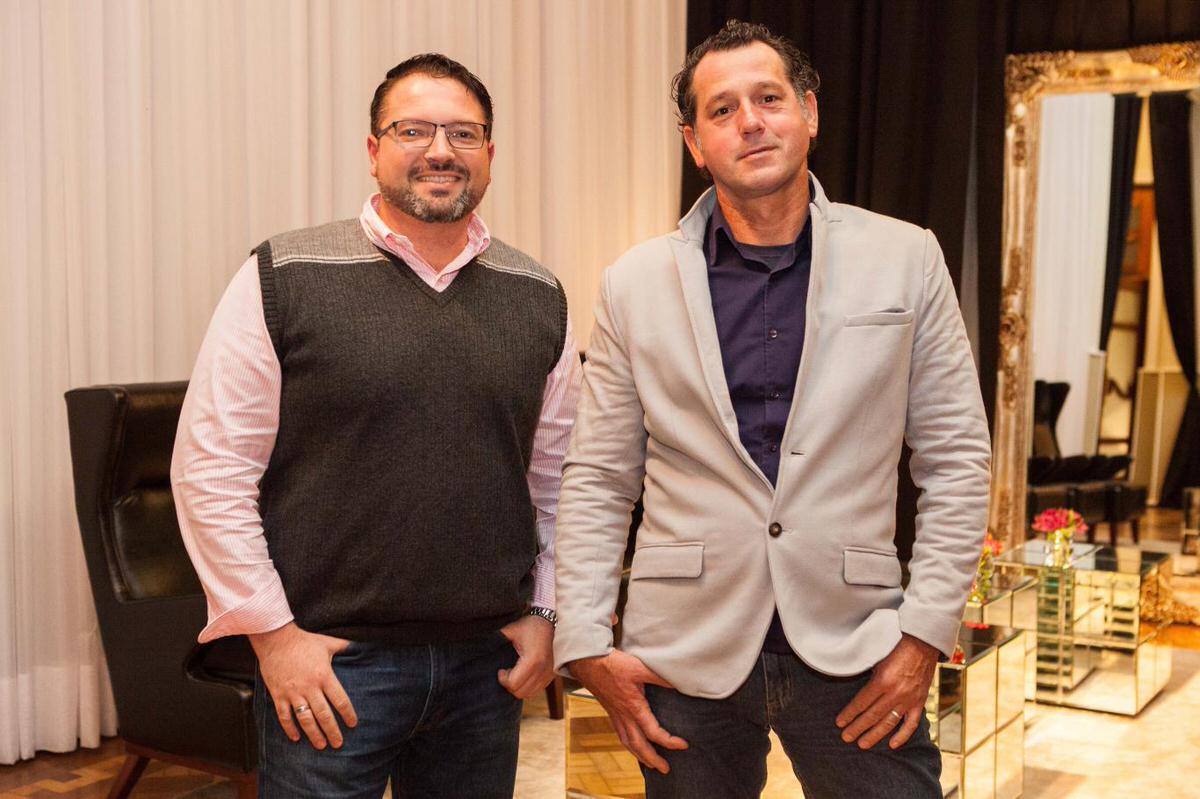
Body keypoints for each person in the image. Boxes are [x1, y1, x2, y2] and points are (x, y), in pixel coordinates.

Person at [553, 20, 990, 799]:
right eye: (722, 110)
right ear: (695, 143)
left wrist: (925, 633)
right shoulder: (633, 282)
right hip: (683, 651)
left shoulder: (906, 256)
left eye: (769, 99)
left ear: (809, 113)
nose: (750, 122)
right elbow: (599, 476)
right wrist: (585, 640)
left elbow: (956, 456)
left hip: (857, 644)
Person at [171, 53, 579, 799]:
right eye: (413, 130)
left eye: (463, 133)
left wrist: (548, 611)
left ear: (490, 152)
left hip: (486, 666)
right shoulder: (283, 273)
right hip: (331, 665)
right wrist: (274, 637)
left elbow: (558, 481)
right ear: (373, 149)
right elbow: (212, 469)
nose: (440, 150)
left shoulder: (539, 295)